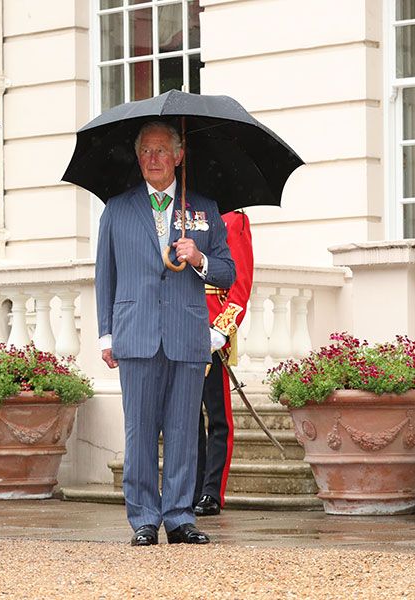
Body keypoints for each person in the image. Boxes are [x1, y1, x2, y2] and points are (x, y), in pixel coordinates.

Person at [95, 121, 235, 546]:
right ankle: (142, 517)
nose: (153, 159)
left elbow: (228, 272)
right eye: (146, 151)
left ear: (179, 156)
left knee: (181, 432)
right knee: (139, 432)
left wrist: (199, 258)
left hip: (186, 334)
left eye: (161, 151)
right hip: (135, 334)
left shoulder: (204, 210)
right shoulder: (117, 209)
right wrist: (106, 335)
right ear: (138, 158)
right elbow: (106, 275)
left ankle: (178, 515)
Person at [193, 210, 254, 517]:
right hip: (183, 325)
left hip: (213, 325)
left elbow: (240, 286)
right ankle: (190, 489)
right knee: (185, 417)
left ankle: (211, 491)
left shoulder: (234, 220)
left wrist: (221, 330)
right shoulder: (182, 212)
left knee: (217, 416)